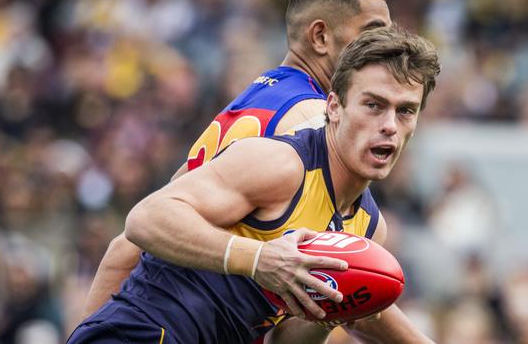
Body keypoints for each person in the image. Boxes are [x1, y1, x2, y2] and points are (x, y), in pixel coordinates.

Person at [68, 25, 440, 343]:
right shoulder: (282, 164)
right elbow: (145, 219)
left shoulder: (368, 229)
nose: (390, 124)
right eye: (373, 105)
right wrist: (259, 259)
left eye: (405, 110)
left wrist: (325, 314)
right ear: (333, 107)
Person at [83, 0, 392, 318]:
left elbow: (126, 247)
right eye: (373, 33)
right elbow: (352, 279)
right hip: (183, 319)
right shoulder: (313, 121)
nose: (387, 47)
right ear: (320, 37)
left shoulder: (263, 96)